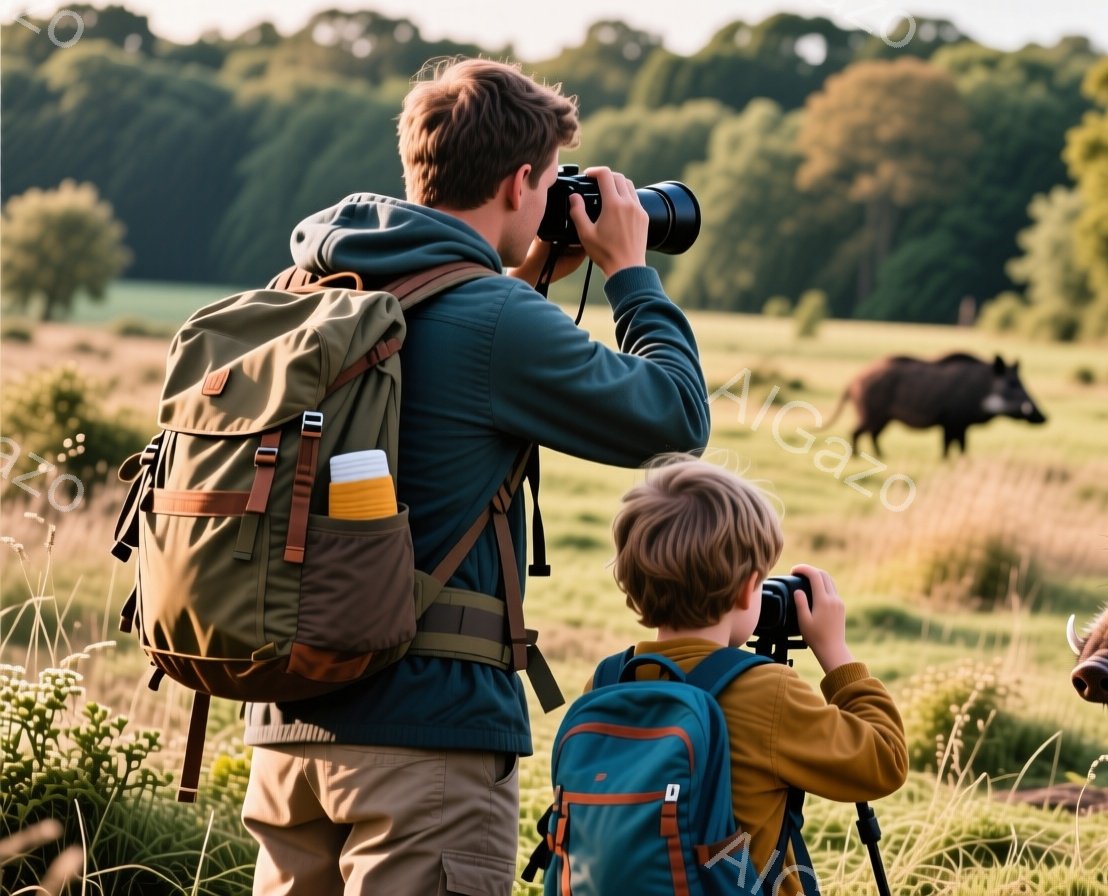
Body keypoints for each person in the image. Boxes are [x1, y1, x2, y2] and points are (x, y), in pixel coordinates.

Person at [240, 57, 711, 895]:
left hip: (285, 730)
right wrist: (631, 272)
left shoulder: (313, 288)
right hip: (427, 747)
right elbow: (675, 418)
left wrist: (523, 278)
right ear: (522, 179)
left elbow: (436, 364)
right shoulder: (497, 317)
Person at [598, 457, 908, 895]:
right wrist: (836, 653)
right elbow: (884, 761)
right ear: (749, 588)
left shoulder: (611, 679)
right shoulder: (765, 692)